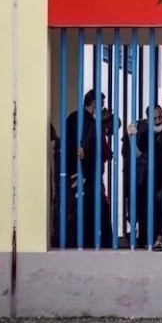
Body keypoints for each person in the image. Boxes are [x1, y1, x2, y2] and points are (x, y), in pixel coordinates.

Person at [127, 94, 162, 251]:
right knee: (147, 206)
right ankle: (146, 238)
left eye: (160, 116)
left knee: (161, 206)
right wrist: (131, 136)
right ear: (148, 120)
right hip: (150, 177)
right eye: (154, 118)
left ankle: (159, 239)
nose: (158, 120)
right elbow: (137, 154)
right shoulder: (146, 134)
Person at [64, 89, 114, 249]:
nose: (102, 108)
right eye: (101, 104)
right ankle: (102, 244)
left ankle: (85, 244)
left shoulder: (72, 117)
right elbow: (85, 148)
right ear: (94, 103)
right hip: (88, 174)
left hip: (75, 172)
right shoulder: (89, 122)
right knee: (100, 209)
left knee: (84, 210)